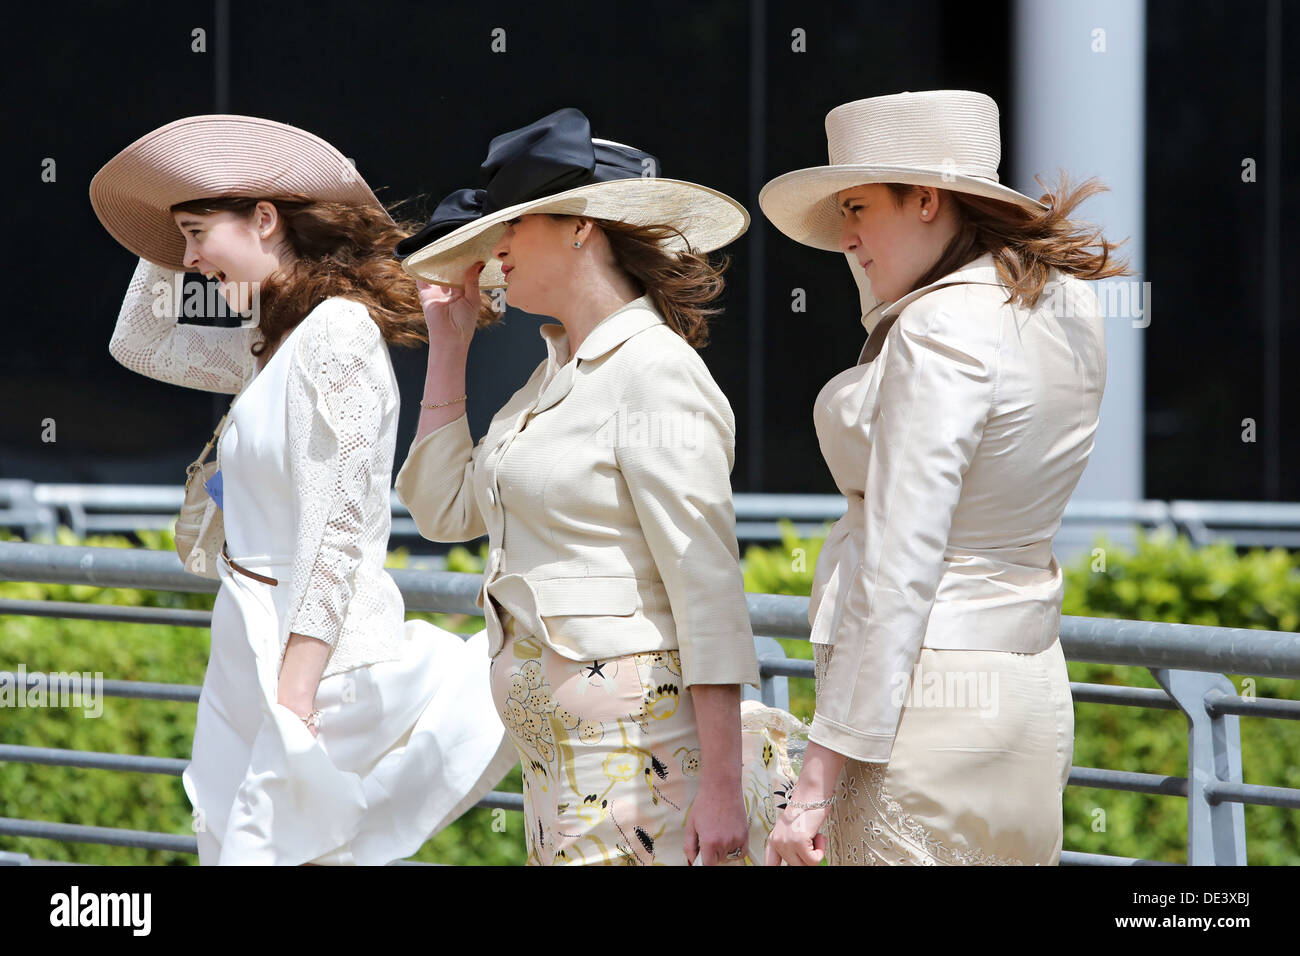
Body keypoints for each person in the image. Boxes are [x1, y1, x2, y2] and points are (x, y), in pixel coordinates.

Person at [90, 114, 513, 865]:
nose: (187, 260)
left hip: (314, 661)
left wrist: (294, 695)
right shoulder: (274, 339)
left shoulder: (335, 335)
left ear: (264, 219)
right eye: (181, 240)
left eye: (197, 234)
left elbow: (338, 526)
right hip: (247, 637)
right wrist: (166, 222)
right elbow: (140, 340)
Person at [393, 107, 798, 865]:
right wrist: (446, 351)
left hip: (641, 766)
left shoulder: (656, 371)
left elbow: (707, 588)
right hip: (559, 766)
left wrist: (719, 786)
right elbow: (442, 510)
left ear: (582, 227)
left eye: (515, 224)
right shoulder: (548, 379)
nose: (497, 247)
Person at [758, 90, 1129, 865]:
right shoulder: (1066, 307)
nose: (847, 238)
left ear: (926, 199)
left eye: (858, 209)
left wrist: (816, 780)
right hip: (1027, 695)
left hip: (920, 706)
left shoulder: (938, 325)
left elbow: (902, 566)